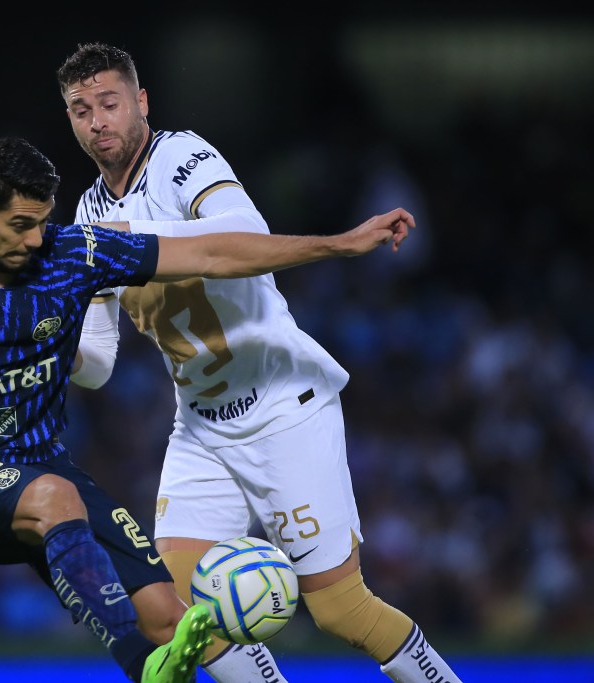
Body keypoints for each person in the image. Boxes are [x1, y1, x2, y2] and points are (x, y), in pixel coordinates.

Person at [0, 135, 412, 682]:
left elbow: (209, 248)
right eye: (20, 225)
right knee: (59, 504)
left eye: (44, 220)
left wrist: (337, 242)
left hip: (43, 468)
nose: (38, 240)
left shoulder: (73, 253)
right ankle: (141, 668)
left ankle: (159, 657)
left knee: (170, 616)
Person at [57, 42, 463, 683]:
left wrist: (129, 240)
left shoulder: (181, 157)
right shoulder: (87, 214)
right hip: (200, 427)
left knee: (340, 611)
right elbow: (99, 360)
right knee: (170, 607)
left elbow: (241, 234)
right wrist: (51, 341)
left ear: (140, 103)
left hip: (282, 407)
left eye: (109, 103)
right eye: (81, 110)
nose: (97, 121)